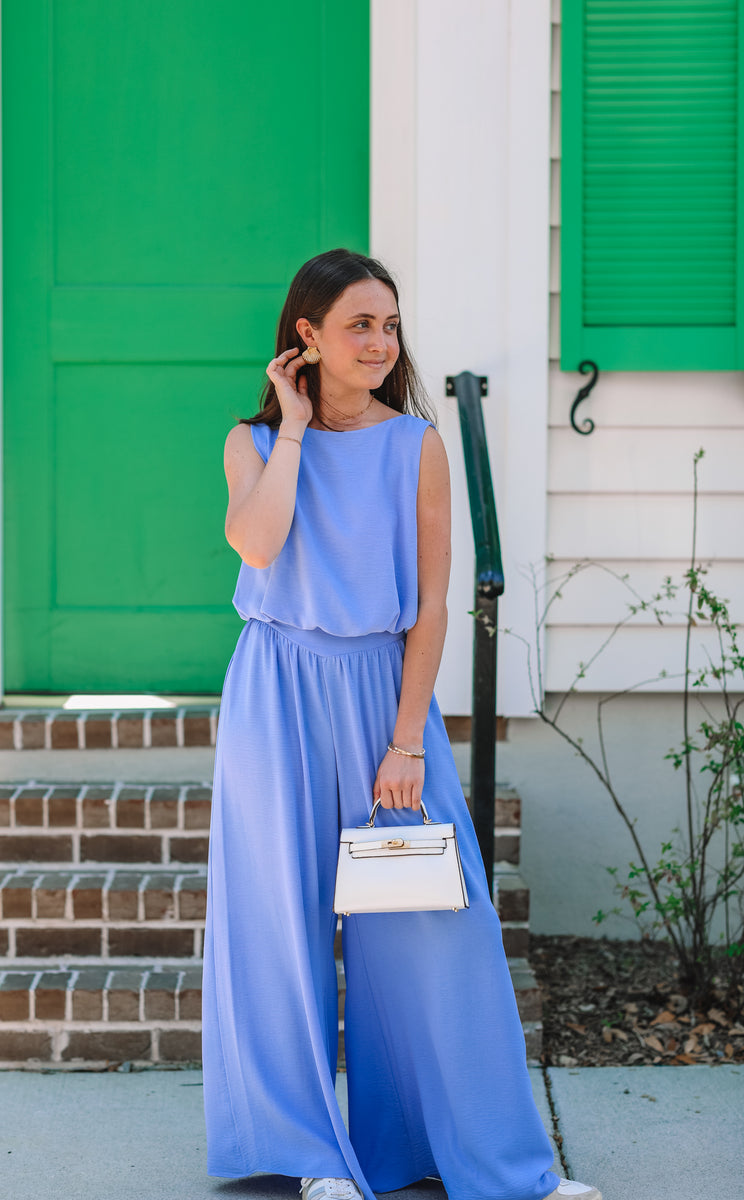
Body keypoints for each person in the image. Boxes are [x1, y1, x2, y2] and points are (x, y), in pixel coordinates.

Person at [202, 249, 601, 1200]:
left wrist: (408, 737)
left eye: (389, 324)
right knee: (278, 931)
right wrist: (294, 428)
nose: (382, 343)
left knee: (430, 924)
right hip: (274, 693)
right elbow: (257, 544)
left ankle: (503, 1166)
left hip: (381, 691)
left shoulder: (417, 443)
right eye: (358, 326)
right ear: (306, 336)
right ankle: (308, 1158)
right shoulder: (250, 443)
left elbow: (433, 606)